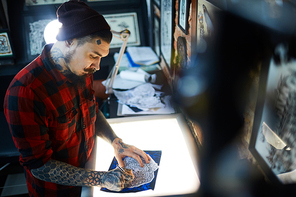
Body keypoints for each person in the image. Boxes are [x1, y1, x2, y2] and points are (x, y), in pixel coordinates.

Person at [3, 1, 150, 196]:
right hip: (56, 191)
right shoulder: (25, 92)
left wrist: (116, 142)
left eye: (101, 58)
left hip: (89, 170)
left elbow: (91, 110)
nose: (97, 66)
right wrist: (101, 178)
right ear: (70, 41)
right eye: (93, 55)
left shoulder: (80, 68)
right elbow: (39, 166)